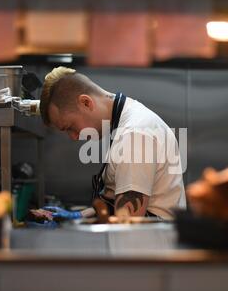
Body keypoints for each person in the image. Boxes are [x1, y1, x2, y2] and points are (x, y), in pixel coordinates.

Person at [37, 66, 186, 220]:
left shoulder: (134, 134)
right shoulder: (125, 124)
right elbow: (115, 202)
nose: (73, 137)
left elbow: (127, 222)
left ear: (86, 103)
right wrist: (78, 216)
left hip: (151, 242)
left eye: (70, 127)